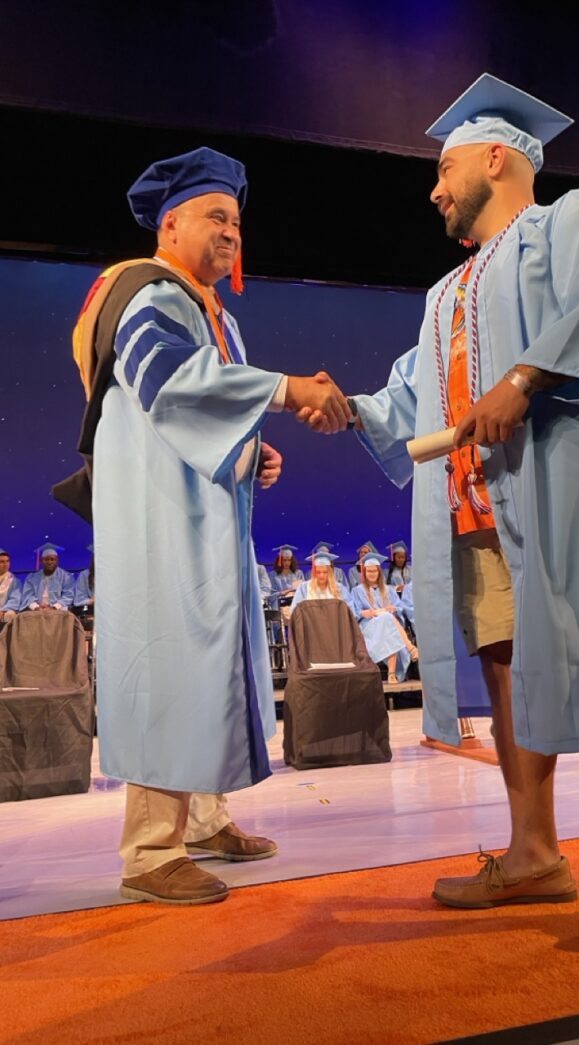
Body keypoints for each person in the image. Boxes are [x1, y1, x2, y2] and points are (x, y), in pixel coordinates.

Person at [311, 73, 579, 949]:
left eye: (444, 168)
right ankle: (534, 854)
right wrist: (349, 407)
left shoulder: (573, 221)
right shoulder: (444, 294)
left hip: (569, 492)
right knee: (509, 671)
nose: (434, 188)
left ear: (497, 157)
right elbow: (416, 400)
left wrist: (524, 378)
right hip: (482, 512)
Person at [69, 146, 350, 905]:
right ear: (170, 222)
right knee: (169, 663)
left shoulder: (206, 307)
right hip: (163, 523)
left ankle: (204, 821)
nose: (231, 232)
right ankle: (150, 849)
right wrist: (288, 392)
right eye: (214, 217)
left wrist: (250, 450)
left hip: (202, 514)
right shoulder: (147, 293)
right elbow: (171, 386)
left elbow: (208, 412)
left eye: (235, 219)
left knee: (213, 660)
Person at [351, 553, 417, 684]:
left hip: (387, 626)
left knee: (387, 619)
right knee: (388, 620)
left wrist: (394, 609)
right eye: (369, 571)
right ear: (364, 572)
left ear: (379, 572)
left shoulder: (388, 590)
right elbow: (355, 612)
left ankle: (392, 673)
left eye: (374, 570)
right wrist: (365, 613)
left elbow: (399, 607)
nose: (372, 573)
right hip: (368, 627)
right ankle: (410, 649)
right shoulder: (357, 591)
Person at [21, 543, 74, 611]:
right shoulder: (32, 578)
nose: (49, 562)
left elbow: (68, 596)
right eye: (46, 559)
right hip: (37, 609)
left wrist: (54, 607)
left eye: (52, 559)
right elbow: (28, 596)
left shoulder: (66, 577)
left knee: (65, 610)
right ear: (41, 561)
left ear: (57, 560)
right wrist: (36, 607)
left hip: (58, 609)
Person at [0, 548, 22, 625]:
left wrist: (3, 610)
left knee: (10, 614)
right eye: (2, 562)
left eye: (7, 561)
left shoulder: (14, 580)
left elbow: (15, 599)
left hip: (5, 610)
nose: (5, 564)